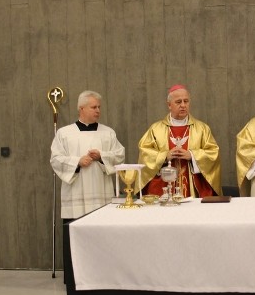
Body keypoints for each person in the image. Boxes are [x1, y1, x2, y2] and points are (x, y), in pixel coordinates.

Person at [50, 90, 125, 220]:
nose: (98, 110)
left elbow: (119, 156)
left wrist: (101, 157)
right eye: (94, 107)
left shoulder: (108, 133)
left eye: (99, 107)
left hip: (101, 193)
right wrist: (77, 162)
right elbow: (56, 159)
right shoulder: (64, 133)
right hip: (75, 194)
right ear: (81, 109)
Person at [137, 84, 221, 198]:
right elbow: (145, 154)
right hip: (163, 187)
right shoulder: (156, 129)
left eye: (186, 101)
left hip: (194, 188)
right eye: (178, 102)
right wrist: (164, 156)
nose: (183, 105)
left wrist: (192, 155)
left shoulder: (202, 129)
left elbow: (213, 153)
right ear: (169, 105)